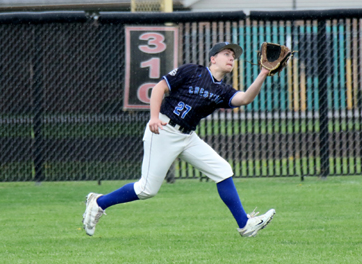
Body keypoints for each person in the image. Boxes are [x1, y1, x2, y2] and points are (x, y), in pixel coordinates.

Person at [82, 41, 276, 238]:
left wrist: (262, 74)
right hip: (164, 130)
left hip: (187, 136)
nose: (231, 58)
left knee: (222, 169)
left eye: (233, 56)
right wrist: (154, 117)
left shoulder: (222, 90)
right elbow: (159, 88)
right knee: (146, 190)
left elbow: (244, 99)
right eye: (226, 53)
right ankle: (99, 203)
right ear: (213, 58)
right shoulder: (192, 71)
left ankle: (245, 225)